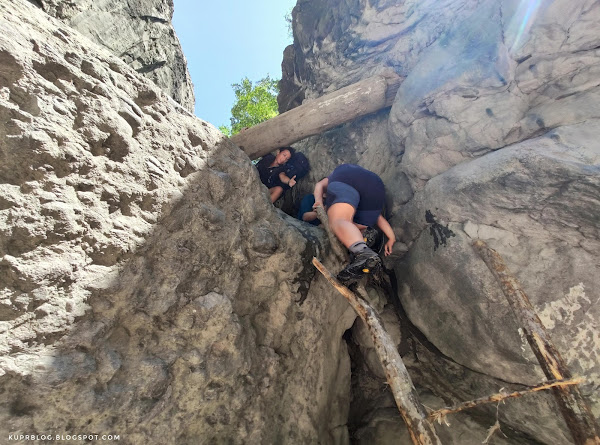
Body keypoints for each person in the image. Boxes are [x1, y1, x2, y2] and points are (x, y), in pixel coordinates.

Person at [313, 164, 396, 283]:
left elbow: (319, 185)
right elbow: (378, 217)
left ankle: (363, 252)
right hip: (376, 188)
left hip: (347, 177)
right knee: (352, 225)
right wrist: (392, 237)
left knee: (337, 221)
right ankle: (361, 250)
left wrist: (319, 202)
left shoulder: (333, 180)